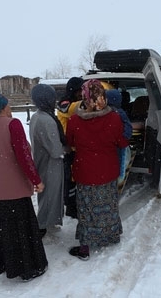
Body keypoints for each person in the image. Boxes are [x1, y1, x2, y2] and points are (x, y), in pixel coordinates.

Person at [0, 87, 48, 281]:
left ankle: (8, 266)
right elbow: (23, 156)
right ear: (1, 107)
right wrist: (36, 180)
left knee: (5, 233)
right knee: (23, 232)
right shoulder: (12, 124)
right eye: (8, 105)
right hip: (14, 190)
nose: (10, 109)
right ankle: (29, 268)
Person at [65, 80, 129, 261]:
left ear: (84, 96)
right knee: (108, 206)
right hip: (108, 171)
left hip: (85, 172)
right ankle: (111, 235)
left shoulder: (75, 120)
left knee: (86, 210)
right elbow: (122, 142)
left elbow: (70, 143)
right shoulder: (114, 117)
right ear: (103, 95)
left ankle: (85, 247)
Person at [29, 84, 66, 238]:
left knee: (46, 195)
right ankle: (42, 225)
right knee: (50, 194)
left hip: (41, 160)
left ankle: (47, 222)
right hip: (51, 163)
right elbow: (56, 150)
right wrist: (66, 149)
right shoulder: (47, 120)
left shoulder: (37, 115)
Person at [56, 77, 85, 219]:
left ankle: (75, 204)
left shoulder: (76, 102)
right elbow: (70, 109)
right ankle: (71, 207)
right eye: (80, 90)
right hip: (68, 147)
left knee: (77, 177)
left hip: (78, 147)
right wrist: (89, 100)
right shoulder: (64, 102)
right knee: (70, 179)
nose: (82, 93)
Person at [105, 89, 133, 189]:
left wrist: (123, 137)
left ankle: (117, 179)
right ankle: (117, 179)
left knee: (119, 160)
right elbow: (128, 127)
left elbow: (127, 127)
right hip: (118, 143)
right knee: (119, 161)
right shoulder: (120, 112)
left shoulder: (116, 113)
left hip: (117, 143)